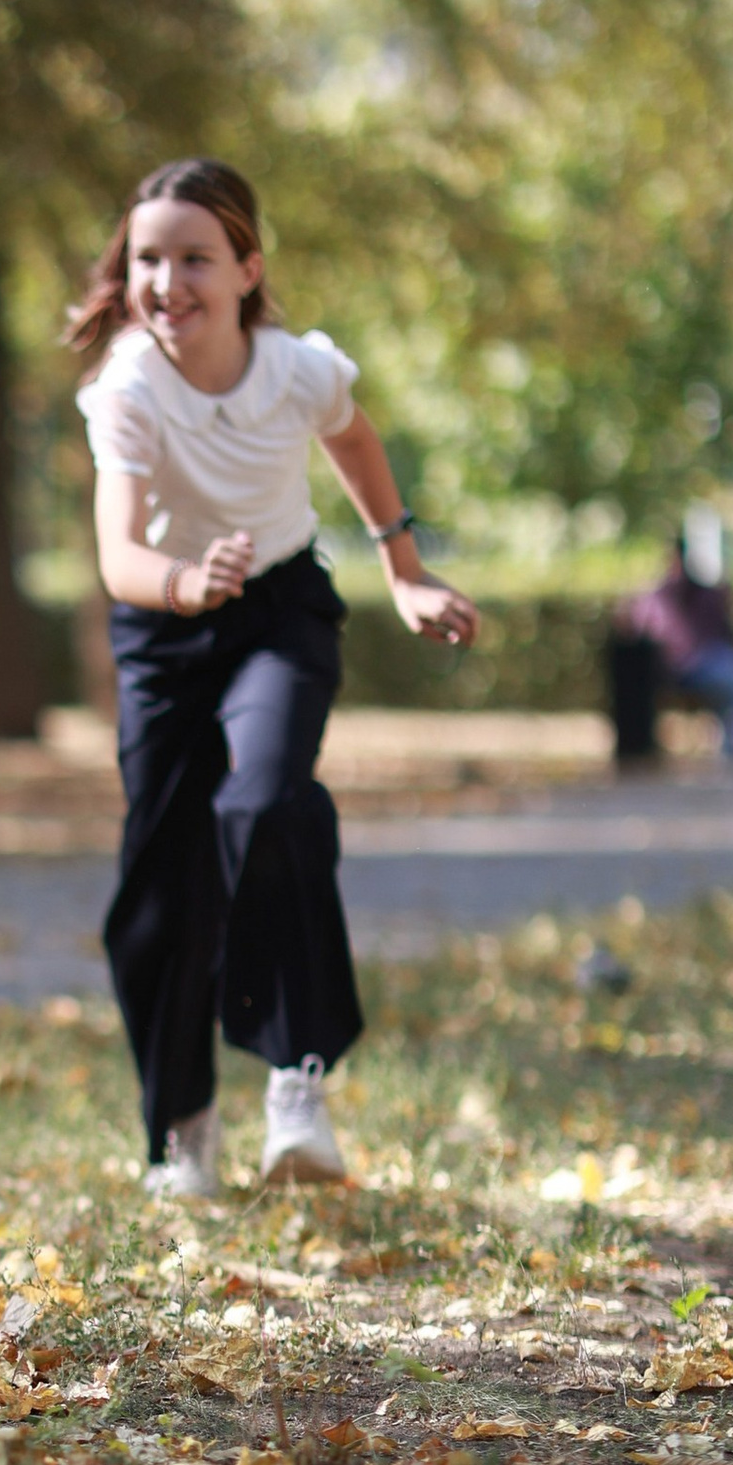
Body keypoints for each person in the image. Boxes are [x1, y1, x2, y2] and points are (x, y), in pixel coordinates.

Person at [69, 156, 477, 1200]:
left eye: (195, 259)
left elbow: (355, 441)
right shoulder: (127, 386)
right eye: (147, 259)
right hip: (164, 626)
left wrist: (404, 571)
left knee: (266, 802)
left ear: (248, 269)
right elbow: (117, 555)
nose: (167, 283)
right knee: (159, 889)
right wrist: (184, 583)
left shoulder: (297, 370)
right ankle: (183, 1128)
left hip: (278, 614)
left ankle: (297, 1080)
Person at [613, 509, 733, 798]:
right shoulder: (662, 595)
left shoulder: (701, 593)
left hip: (705, 663)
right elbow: (630, 625)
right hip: (692, 666)